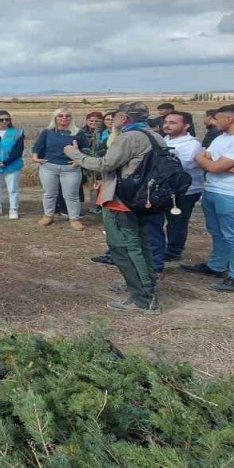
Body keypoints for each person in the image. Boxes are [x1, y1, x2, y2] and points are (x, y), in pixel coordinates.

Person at [66, 102, 166, 313]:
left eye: (117, 116)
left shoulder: (128, 138)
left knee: (125, 248)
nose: (113, 119)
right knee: (141, 246)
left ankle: (143, 299)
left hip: (122, 201)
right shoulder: (155, 136)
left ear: (125, 118)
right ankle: (146, 288)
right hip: (143, 200)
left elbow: (105, 164)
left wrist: (74, 154)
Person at [180, 104, 234, 292]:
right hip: (212, 190)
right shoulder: (222, 137)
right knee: (217, 232)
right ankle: (217, 266)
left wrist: (214, 164)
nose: (213, 122)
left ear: (230, 119)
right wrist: (215, 163)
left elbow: (212, 166)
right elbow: (200, 158)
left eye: (217, 118)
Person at [148, 111, 204, 269]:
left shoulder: (191, 144)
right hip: (164, 189)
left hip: (185, 190)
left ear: (186, 126)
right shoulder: (164, 140)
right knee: (159, 220)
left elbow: (179, 167)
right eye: (166, 122)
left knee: (177, 221)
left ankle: (174, 250)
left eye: (173, 123)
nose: (167, 125)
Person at [31, 107, 86, 230]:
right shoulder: (48, 132)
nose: (64, 118)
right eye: (61, 116)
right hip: (49, 167)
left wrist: (79, 161)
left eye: (67, 116)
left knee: (71, 195)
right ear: (55, 118)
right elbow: (38, 146)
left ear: (71, 118)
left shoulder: (78, 133)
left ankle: (74, 219)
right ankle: (48, 215)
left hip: (71, 168)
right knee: (49, 193)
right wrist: (35, 157)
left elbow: (85, 149)